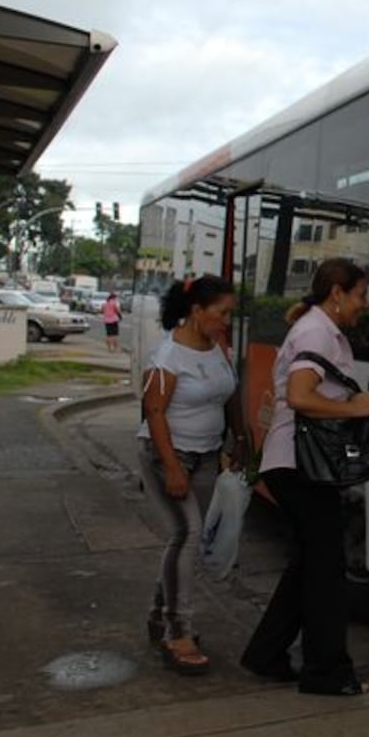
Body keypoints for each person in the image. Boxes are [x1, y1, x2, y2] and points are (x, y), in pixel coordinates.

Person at [240, 258, 369, 696]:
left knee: (310, 564)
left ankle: (266, 653)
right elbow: (300, 396)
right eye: (361, 295)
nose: (365, 305)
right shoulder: (317, 331)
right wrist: (354, 408)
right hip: (300, 466)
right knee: (326, 571)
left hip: (292, 463)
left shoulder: (317, 328)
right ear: (337, 293)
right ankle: (325, 671)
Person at [137, 275, 241, 675]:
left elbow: (228, 393)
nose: (227, 321)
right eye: (222, 313)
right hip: (168, 455)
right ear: (197, 311)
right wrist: (174, 469)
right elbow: (155, 413)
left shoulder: (218, 349)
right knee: (187, 535)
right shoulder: (167, 358)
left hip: (207, 453)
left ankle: (158, 613)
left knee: (187, 541)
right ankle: (178, 631)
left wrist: (240, 438)